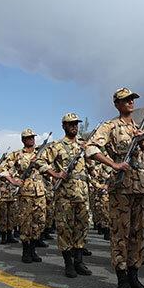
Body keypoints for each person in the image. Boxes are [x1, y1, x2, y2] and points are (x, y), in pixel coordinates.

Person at [87, 88, 144, 288]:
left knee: (137, 233)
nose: (130, 102)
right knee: (121, 233)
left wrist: (143, 141)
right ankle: (122, 280)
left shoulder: (139, 128)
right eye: (125, 100)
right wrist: (114, 164)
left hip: (141, 186)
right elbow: (91, 148)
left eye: (132, 99)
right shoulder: (110, 126)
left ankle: (135, 276)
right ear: (117, 104)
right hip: (121, 187)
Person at [38, 113, 92, 277]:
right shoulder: (56, 146)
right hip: (65, 195)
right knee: (65, 228)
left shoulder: (83, 146)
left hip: (82, 193)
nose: (74, 126)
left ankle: (79, 262)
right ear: (64, 126)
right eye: (70, 124)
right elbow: (39, 161)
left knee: (82, 228)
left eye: (76, 123)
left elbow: (92, 165)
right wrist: (54, 174)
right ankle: (68, 264)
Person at [1, 129, 47, 263]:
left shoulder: (41, 154)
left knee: (38, 222)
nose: (31, 139)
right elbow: (2, 169)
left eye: (32, 137)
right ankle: (26, 251)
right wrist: (13, 180)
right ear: (23, 140)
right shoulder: (16, 155)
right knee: (25, 222)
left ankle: (33, 250)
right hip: (25, 193)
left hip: (40, 193)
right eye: (28, 138)